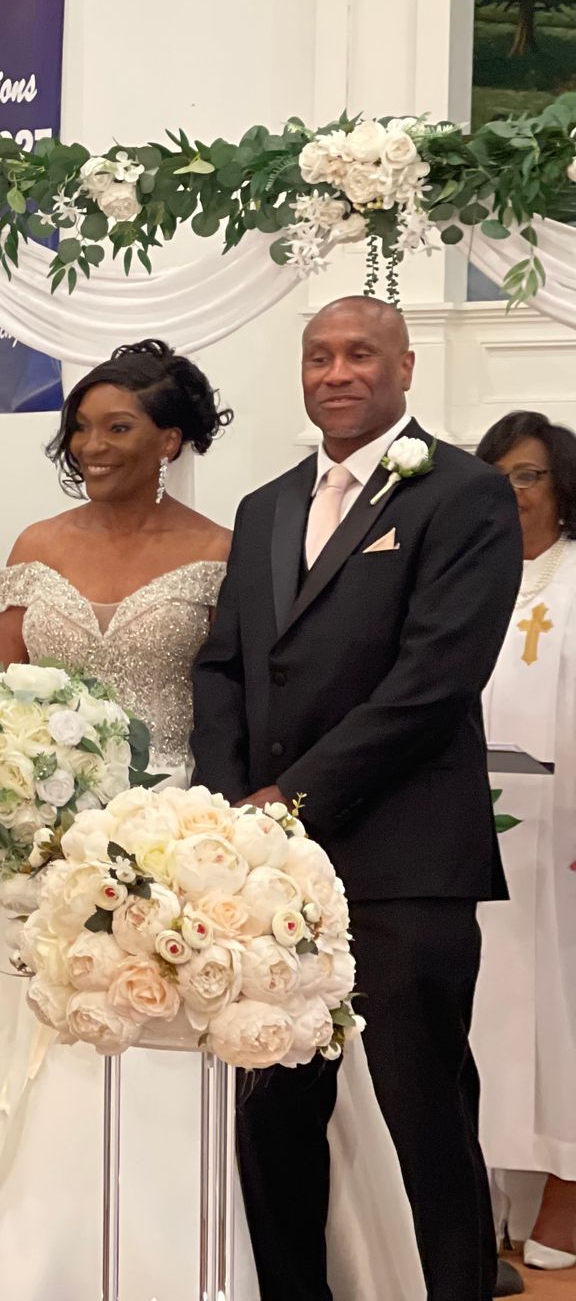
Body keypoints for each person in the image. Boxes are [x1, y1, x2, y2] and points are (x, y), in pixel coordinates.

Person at [0, 340, 419, 1299]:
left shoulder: (224, 549)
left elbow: (241, 694)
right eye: (81, 427)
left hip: (173, 838)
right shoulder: (35, 546)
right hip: (39, 842)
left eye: (118, 427)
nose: (93, 446)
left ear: (170, 439)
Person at [193, 296, 522, 1301]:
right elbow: (225, 668)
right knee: (278, 1112)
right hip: (272, 873)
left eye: (360, 354)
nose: (338, 372)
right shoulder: (264, 506)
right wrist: (230, 811)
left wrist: (293, 797)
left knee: (421, 1113)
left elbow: (435, 678)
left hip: (404, 861)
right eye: (319, 356)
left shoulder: (464, 494)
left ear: (406, 366)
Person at [471, 410, 576, 1275]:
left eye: (528, 475)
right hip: (479, 831)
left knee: (561, 1009)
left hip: (566, 837)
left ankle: (565, 1192)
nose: (512, 493)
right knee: (490, 1013)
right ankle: (492, 1198)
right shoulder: (467, 578)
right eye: (497, 475)